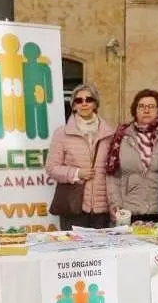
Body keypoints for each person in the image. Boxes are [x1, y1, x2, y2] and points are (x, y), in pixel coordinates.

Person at [46, 83, 116, 230]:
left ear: (95, 104)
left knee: (102, 252)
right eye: (79, 100)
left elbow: (115, 171)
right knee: (73, 252)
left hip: (102, 209)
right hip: (74, 207)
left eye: (89, 99)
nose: (84, 103)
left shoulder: (110, 134)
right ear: (74, 106)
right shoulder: (62, 133)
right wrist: (77, 173)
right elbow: (51, 168)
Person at [105, 89, 158, 223]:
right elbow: (113, 175)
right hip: (129, 211)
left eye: (151, 106)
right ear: (135, 109)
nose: (146, 110)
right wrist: (115, 203)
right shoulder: (121, 137)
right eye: (141, 106)